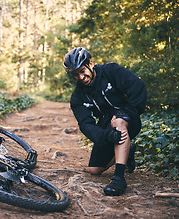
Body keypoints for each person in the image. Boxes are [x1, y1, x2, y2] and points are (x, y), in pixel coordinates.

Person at [63, 47, 147, 196]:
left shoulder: (111, 71)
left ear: (91, 63)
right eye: (76, 75)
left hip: (128, 119)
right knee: (94, 170)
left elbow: (137, 86)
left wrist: (128, 112)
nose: (81, 77)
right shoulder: (78, 97)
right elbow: (85, 124)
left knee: (118, 122)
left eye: (83, 71)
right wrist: (104, 136)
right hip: (107, 127)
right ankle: (128, 151)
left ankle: (119, 178)